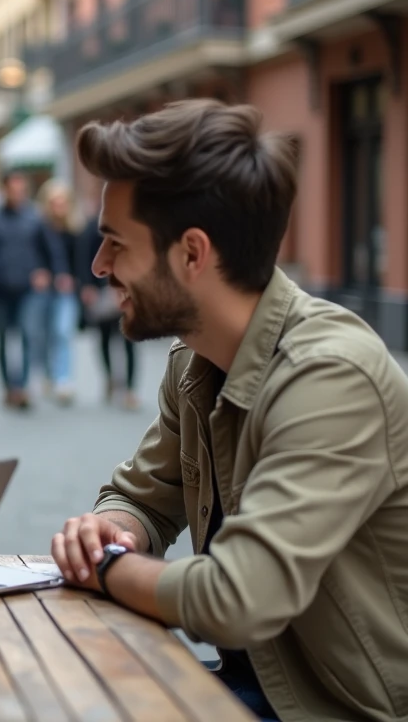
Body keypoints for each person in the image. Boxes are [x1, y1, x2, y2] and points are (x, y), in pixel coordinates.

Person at [49, 99, 408, 722]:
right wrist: (116, 530)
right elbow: (140, 496)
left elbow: (238, 597)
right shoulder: (194, 359)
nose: (98, 266)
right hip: (250, 684)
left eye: (115, 243)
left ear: (193, 253)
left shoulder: (330, 374)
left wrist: (106, 571)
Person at [0, 171, 49, 409]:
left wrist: (43, 270)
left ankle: (22, 386)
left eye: (21, 190)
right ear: (4, 189)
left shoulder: (34, 218)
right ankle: (9, 387)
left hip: (27, 288)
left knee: (28, 334)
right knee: (2, 340)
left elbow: (47, 250)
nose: (17, 194)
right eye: (13, 189)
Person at [76, 192, 139, 409]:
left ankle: (130, 389)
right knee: (104, 339)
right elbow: (84, 258)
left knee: (130, 341)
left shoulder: (130, 227)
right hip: (102, 292)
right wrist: (87, 287)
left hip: (126, 292)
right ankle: (110, 378)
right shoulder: (92, 226)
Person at [34, 179, 81, 405]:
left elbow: (82, 261)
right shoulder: (39, 228)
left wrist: (75, 280)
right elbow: (33, 257)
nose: (58, 207)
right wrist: (41, 272)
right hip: (44, 291)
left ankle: (63, 379)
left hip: (66, 291)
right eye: (54, 202)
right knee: (44, 334)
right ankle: (49, 374)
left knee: (62, 332)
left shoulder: (74, 230)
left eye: (62, 202)